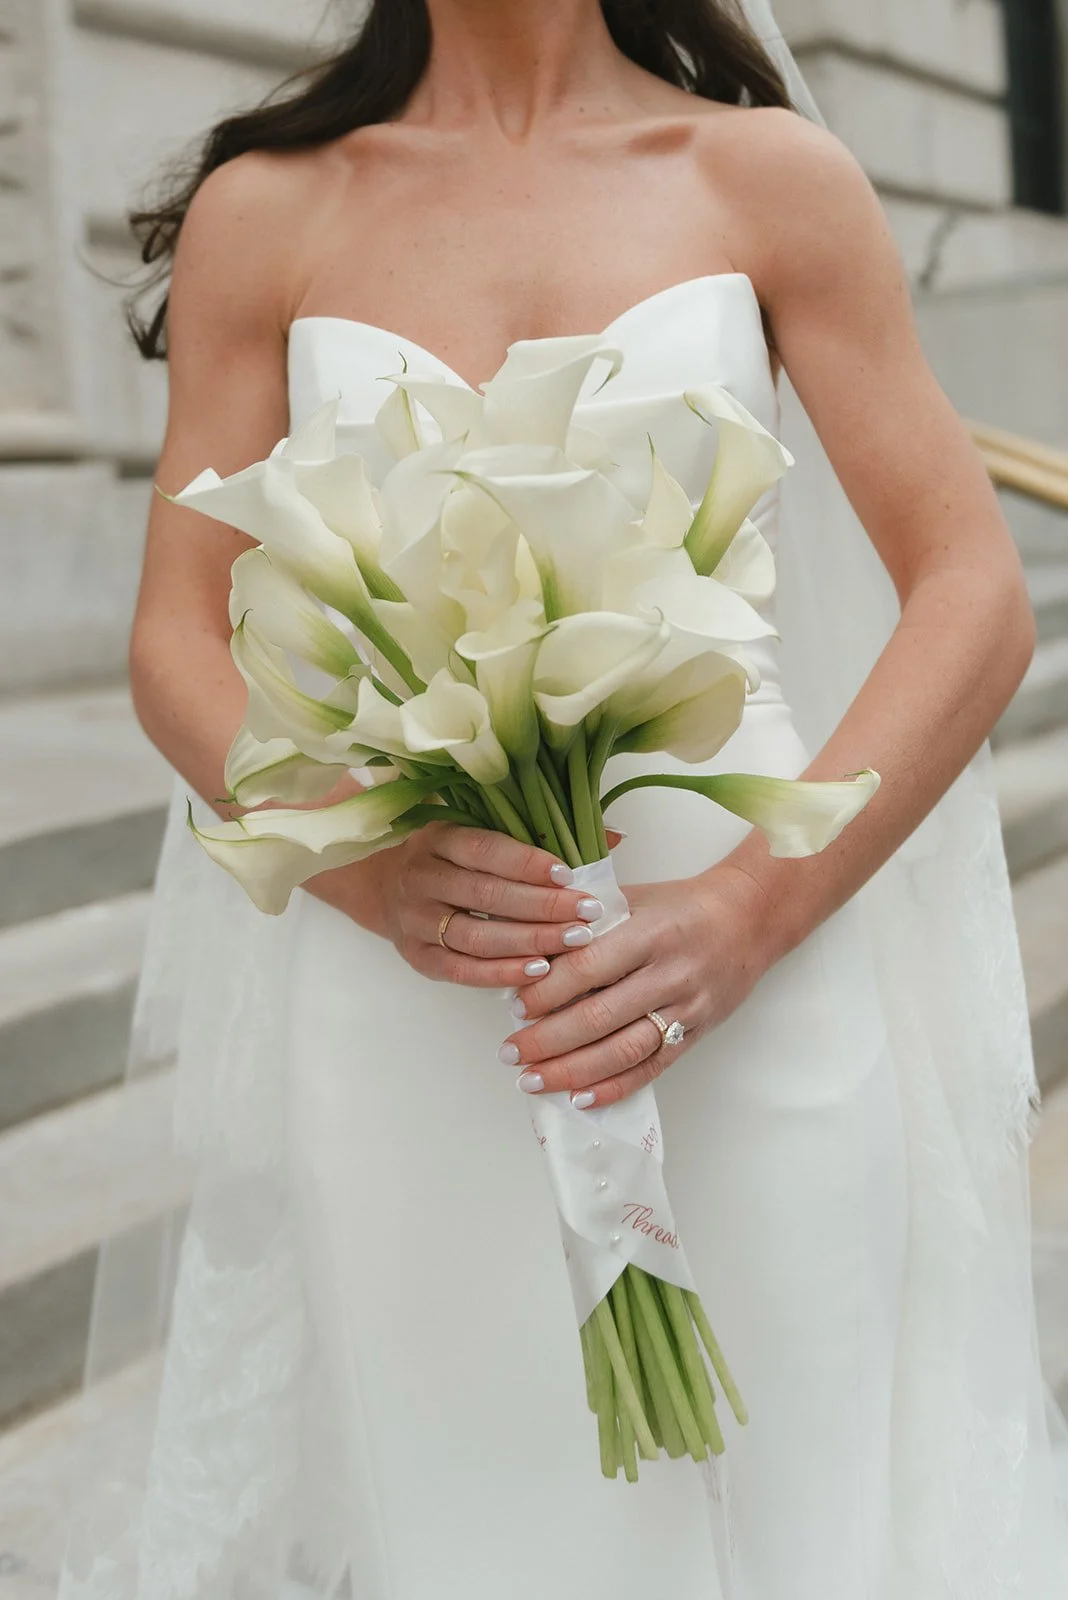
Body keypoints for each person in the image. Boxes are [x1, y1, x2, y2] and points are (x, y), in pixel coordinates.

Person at [64, 2, 1068, 1597]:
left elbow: (972, 592)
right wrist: (366, 869)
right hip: (417, 1004)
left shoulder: (768, 180)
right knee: (481, 1521)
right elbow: (178, 636)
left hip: (761, 982)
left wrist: (751, 911)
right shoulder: (273, 210)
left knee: (813, 1505)